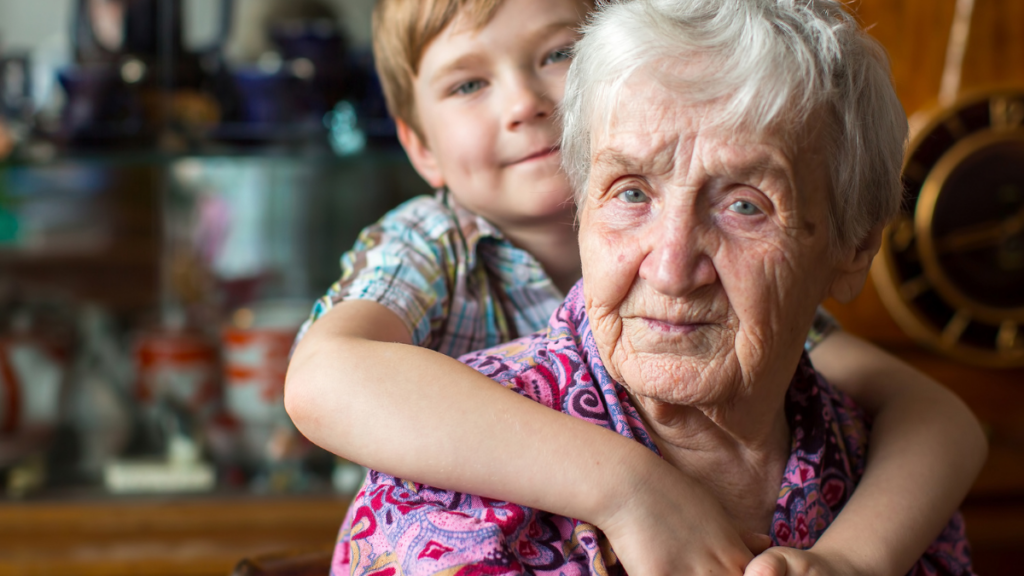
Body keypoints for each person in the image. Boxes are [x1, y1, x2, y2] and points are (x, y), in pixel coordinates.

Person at [283, 0, 986, 573]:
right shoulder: (431, 243)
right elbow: (324, 379)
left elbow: (931, 416)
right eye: (630, 194)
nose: (671, 270)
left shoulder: (811, 390)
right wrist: (629, 487)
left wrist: (853, 560)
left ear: (850, 247)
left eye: (744, 205)